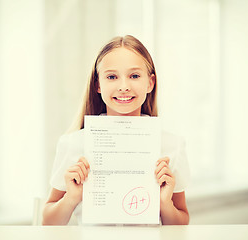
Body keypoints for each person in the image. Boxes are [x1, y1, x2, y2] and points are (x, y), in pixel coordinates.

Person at [42, 35, 190, 225]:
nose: (123, 87)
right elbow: (47, 223)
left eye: (134, 76)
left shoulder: (172, 146)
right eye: (112, 77)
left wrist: (164, 203)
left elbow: (181, 224)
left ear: (150, 83)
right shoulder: (72, 144)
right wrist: (70, 198)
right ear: (98, 84)